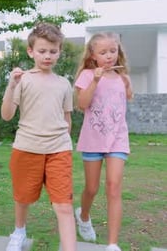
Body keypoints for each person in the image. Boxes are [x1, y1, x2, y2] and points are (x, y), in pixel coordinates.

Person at [0, 22, 76, 251]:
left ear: (59, 52)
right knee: (23, 198)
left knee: (64, 205)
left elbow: (67, 119)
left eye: (53, 51)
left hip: (59, 149)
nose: (48, 56)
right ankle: (19, 232)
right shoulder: (22, 80)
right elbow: (6, 116)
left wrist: (63, 142)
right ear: (31, 51)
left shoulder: (64, 83)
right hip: (27, 147)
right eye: (42, 51)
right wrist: (11, 86)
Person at [73, 32, 133, 251]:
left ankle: (112, 244)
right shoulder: (88, 75)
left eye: (113, 51)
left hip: (117, 139)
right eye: (103, 52)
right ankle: (84, 215)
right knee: (91, 188)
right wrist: (96, 80)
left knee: (114, 187)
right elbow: (82, 103)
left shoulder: (123, 78)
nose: (109, 56)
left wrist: (126, 85)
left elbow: (126, 98)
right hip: (93, 139)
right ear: (93, 55)